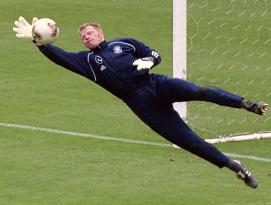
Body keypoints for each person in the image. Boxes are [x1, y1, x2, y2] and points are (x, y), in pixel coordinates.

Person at [13, 16, 268, 189]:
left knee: (198, 90)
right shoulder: (87, 62)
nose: (86, 38)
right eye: (83, 37)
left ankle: (246, 104)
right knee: (187, 140)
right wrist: (39, 43)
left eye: (89, 33)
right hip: (140, 104)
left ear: (100, 33)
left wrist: (149, 61)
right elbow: (60, 57)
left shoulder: (124, 43)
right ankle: (234, 166)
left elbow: (154, 53)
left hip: (156, 84)